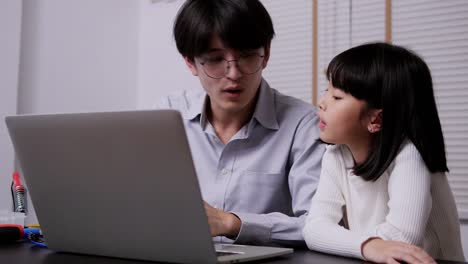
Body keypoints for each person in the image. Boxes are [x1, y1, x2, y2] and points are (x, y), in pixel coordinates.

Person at [157, 0, 325, 247]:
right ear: (190, 62)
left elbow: (318, 226)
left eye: (246, 56)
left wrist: (231, 223)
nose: (233, 74)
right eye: (215, 59)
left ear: (265, 54)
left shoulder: (303, 124)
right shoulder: (168, 116)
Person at [302, 42, 465, 263]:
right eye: (326, 90)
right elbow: (313, 229)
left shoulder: (409, 154)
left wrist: (360, 245)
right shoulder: (336, 156)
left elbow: (402, 239)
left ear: (375, 119)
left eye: (337, 97)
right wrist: (369, 246)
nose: (321, 103)